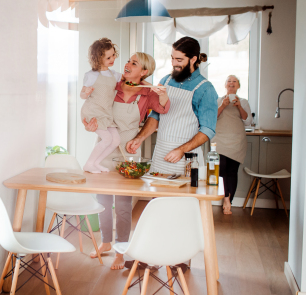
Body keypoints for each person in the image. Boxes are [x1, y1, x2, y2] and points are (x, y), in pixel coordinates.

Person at [83, 52, 169, 269]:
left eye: (134, 63)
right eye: (128, 61)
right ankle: (105, 243)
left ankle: (121, 250)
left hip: (128, 153)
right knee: (102, 202)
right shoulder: (114, 85)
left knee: (122, 205)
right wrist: (88, 124)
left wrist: (163, 95)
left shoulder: (147, 93)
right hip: (103, 150)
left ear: (144, 71)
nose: (127, 64)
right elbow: (95, 107)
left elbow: (163, 110)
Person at [126, 36, 218, 176]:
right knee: (157, 197)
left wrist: (181, 150)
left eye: (179, 60)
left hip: (187, 158)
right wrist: (139, 138)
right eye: (172, 58)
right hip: (160, 153)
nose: (174, 63)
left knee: (183, 197)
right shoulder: (166, 80)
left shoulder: (205, 89)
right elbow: (155, 115)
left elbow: (208, 130)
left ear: (193, 59)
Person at [79, 38, 122, 173]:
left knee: (115, 141)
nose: (112, 59)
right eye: (108, 57)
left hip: (106, 112)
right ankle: (89, 164)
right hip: (93, 111)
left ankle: (95, 163)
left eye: (113, 55)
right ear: (98, 58)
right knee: (107, 138)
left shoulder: (114, 75)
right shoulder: (91, 75)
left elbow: (128, 81)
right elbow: (82, 95)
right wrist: (85, 92)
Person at [212, 75, 252, 214]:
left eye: (234, 81)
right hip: (220, 139)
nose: (231, 83)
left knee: (232, 171)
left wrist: (239, 106)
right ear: (225, 85)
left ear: (238, 86)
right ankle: (225, 198)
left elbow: (247, 121)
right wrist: (223, 105)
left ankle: (229, 199)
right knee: (221, 170)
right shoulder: (217, 100)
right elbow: (212, 118)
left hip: (237, 140)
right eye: (229, 81)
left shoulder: (244, 102)